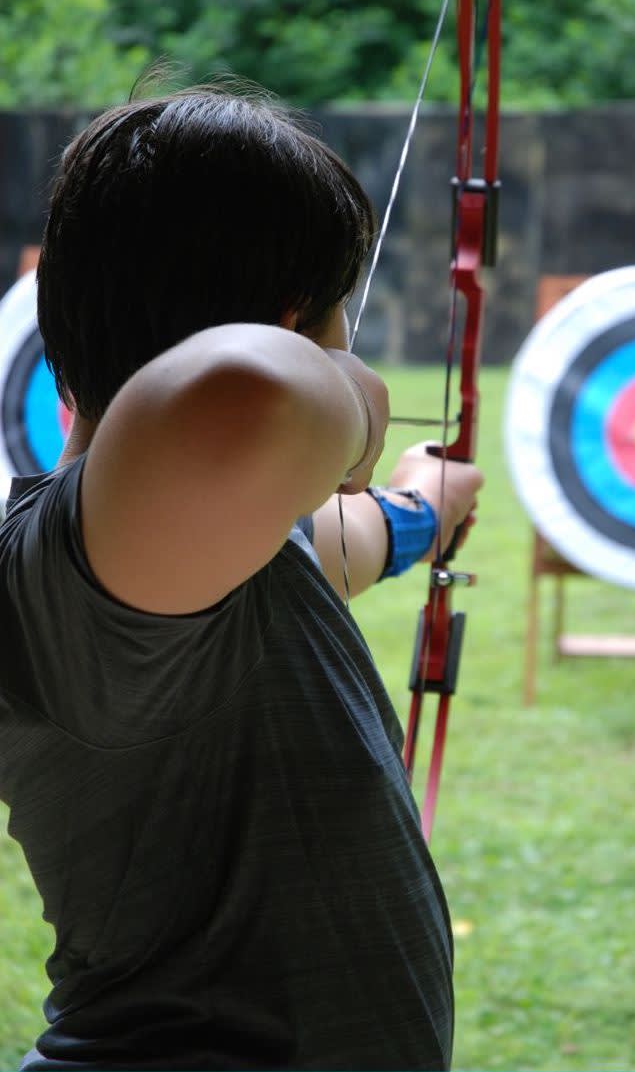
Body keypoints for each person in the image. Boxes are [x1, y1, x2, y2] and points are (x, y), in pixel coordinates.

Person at [0, 83, 484, 1071]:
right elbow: (248, 394)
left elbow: (328, 548)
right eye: (339, 320)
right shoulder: (71, 569)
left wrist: (418, 510)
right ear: (289, 318)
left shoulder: (194, 553)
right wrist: (350, 394)